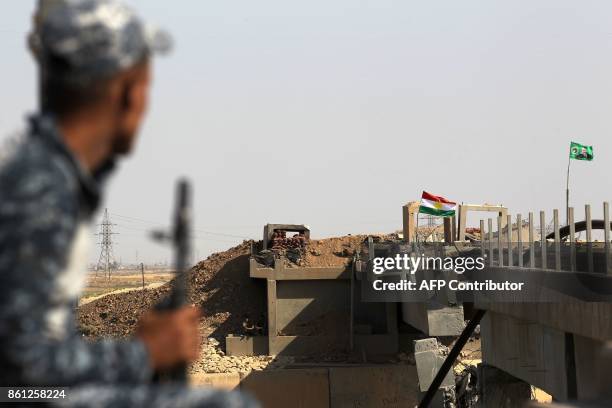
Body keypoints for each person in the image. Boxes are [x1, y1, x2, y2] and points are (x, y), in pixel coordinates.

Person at [0, 1, 257, 407]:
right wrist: (144, 354)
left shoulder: (42, 173)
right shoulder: (40, 191)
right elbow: (22, 379)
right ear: (127, 94)